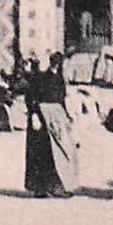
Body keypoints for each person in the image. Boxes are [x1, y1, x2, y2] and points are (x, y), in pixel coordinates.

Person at [23, 53, 75, 198]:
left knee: (58, 152)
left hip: (56, 119)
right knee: (41, 153)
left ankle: (56, 186)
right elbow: (32, 96)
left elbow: (61, 100)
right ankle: (39, 187)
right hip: (41, 118)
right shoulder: (40, 78)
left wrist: (66, 116)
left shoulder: (60, 79)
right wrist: (34, 114)